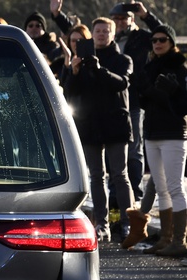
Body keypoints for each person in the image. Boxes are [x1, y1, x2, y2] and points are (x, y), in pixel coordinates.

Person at [52, 1, 163, 203]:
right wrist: (57, 15)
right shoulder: (87, 54)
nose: (119, 22)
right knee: (96, 175)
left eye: (123, 18)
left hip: (128, 107)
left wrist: (146, 15)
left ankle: (131, 206)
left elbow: (163, 35)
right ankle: (106, 215)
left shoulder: (138, 41)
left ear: (131, 19)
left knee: (129, 161)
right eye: (116, 18)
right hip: (93, 119)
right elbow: (75, 33)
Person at [61, 17, 134, 243]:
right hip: (90, 125)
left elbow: (121, 82)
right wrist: (73, 72)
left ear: (112, 34)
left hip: (115, 125)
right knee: (96, 177)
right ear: (92, 34)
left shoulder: (123, 59)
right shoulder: (81, 60)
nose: (102, 34)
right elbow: (69, 95)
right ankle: (102, 225)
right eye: (98, 31)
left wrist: (98, 68)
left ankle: (128, 222)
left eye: (106, 31)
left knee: (120, 175)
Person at [133, 25, 187, 257]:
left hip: (174, 133)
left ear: (171, 42)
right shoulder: (149, 67)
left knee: (175, 187)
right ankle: (166, 239)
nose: (157, 43)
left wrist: (171, 92)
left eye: (163, 39)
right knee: (161, 188)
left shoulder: (180, 68)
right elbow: (147, 101)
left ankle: (179, 240)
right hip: (152, 133)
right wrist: (145, 92)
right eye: (154, 40)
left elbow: (182, 106)